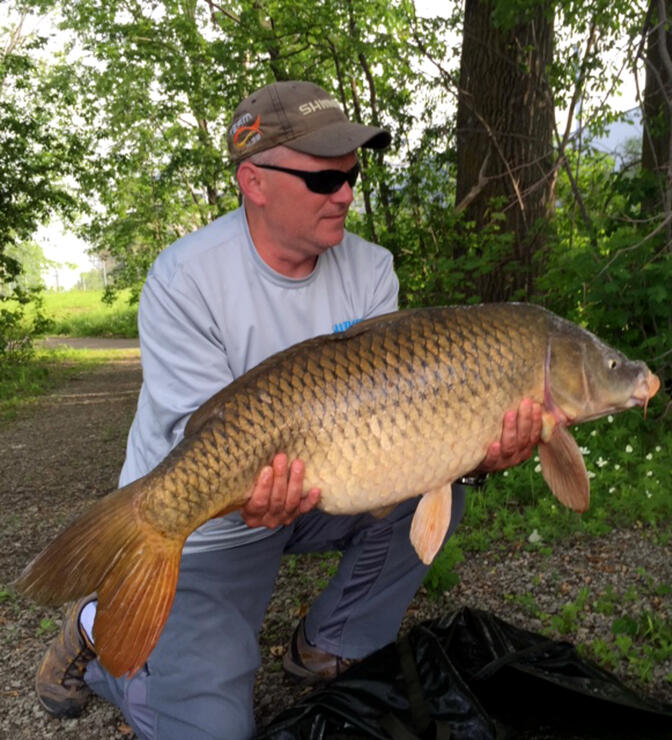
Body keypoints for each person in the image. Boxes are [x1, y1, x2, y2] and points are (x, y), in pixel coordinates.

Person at [34, 80, 542, 739]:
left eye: (352, 174)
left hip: (324, 487)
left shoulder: (372, 269)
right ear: (255, 181)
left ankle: (326, 644)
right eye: (323, 181)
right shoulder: (186, 278)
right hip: (202, 522)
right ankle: (102, 627)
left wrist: (473, 449)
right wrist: (243, 489)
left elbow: (405, 425)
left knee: (433, 494)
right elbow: (201, 437)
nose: (347, 194)